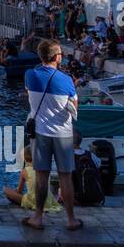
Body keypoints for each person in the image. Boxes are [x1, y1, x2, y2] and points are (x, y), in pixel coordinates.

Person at [23, 38, 82, 230]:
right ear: (57, 57)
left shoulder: (30, 75)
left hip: (40, 132)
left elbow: (29, 92)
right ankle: (71, 219)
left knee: (41, 176)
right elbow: (74, 107)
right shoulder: (65, 80)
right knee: (65, 176)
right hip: (63, 134)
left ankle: (38, 217)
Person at [4, 145, 62, 212]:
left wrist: (16, 193)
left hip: (33, 200)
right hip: (47, 200)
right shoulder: (44, 168)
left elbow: (19, 190)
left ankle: (27, 203)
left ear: (25, 159)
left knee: (6, 190)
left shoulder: (25, 171)